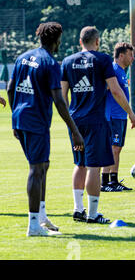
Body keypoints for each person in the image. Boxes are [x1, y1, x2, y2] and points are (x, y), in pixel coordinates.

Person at [7, 22, 84, 236]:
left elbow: (10, 88)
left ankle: (41, 216)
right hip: (36, 122)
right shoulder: (50, 63)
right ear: (57, 39)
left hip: (22, 119)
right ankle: (33, 226)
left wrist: (15, 118)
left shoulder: (22, 57)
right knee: (36, 169)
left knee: (44, 165)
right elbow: (59, 100)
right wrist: (75, 130)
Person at [61, 26, 135, 224]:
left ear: (80, 42)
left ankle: (78, 210)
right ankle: (93, 214)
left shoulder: (67, 61)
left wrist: (70, 119)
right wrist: (130, 112)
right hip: (96, 121)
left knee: (80, 164)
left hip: (75, 121)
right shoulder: (102, 59)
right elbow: (116, 91)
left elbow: (62, 96)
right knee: (94, 166)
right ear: (97, 42)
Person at [101, 42, 135, 192]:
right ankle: (105, 182)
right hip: (113, 116)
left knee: (117, 148)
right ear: (121, 55)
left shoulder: (121, 71)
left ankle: (113, 181)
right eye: (130, 54)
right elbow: (105, 89)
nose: (133, 58)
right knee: (112, 148)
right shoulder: (113, 70)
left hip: (120, 116)